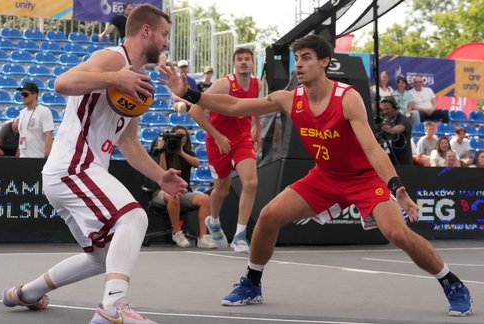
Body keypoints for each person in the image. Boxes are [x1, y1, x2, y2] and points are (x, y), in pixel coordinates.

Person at [159, 34, 473, 316]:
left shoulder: (347, 98)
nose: (299, 64)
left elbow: (373, 148)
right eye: (297, 59)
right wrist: (190, 93)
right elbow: (236, 105)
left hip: (363, 177)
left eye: (307, 58)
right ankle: (252, 283)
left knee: (397, 234)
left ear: (325, 62)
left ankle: (452, 283)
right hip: (324, 176)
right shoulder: (288, 98)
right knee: (268, 216)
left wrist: (397, 187)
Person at [2, 5, 185, 324]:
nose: (167, 42)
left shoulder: (137, 84)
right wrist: (117, 77)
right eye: (164, 34)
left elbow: (127, 142)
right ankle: (114, 306)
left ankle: (25, 294)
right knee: (133, 217)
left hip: (73, 172)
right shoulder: (114, 59)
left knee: (103, 257)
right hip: (74, 166)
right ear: (146, 31)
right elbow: (61, 83)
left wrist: (161, 176)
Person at [187, 47, 261, 253]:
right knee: (222, 189)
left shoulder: (257, 83)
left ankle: (239, 234)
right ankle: (214, 220)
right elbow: (195, 110)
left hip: (242, 139)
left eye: (248, 59)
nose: (244, 62)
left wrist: (258, 129)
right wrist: (218, 136)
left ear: (252, 63)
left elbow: (254, 106)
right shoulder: (223, 85)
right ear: (234, 64)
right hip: (218, 141)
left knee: (251, 182)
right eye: (240, 59)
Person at [150, 125, 217, 249]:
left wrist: (180, 152)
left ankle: (203, 237)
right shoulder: (164, 151)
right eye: (178, 135)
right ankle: (177, 232)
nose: (181, 138)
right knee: (173, 195)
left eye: (183, 136)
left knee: (206, 199)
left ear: (186, 138)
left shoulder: (187, 153)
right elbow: (162, 172)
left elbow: (196, 163)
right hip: (162, 192)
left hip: (183, 192)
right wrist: (163, 152)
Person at [16, 82, 54, 158]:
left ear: (35, 95)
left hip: (38, 157)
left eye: (25, 94)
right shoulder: (22, 113)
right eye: (21, 94)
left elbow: (48, 135)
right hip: (23, 158)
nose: (22, 97)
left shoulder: (44, 111)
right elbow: (22, 135)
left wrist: (47, 156)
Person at [378, 96, 412, 165]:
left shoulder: (403, 119)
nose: (384, 111)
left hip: (402, 161)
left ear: (395, 108)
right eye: (382, 109)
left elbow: (400, 128)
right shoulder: (380, 120)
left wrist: (390, 130)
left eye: (387, 109)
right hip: (386, 160)